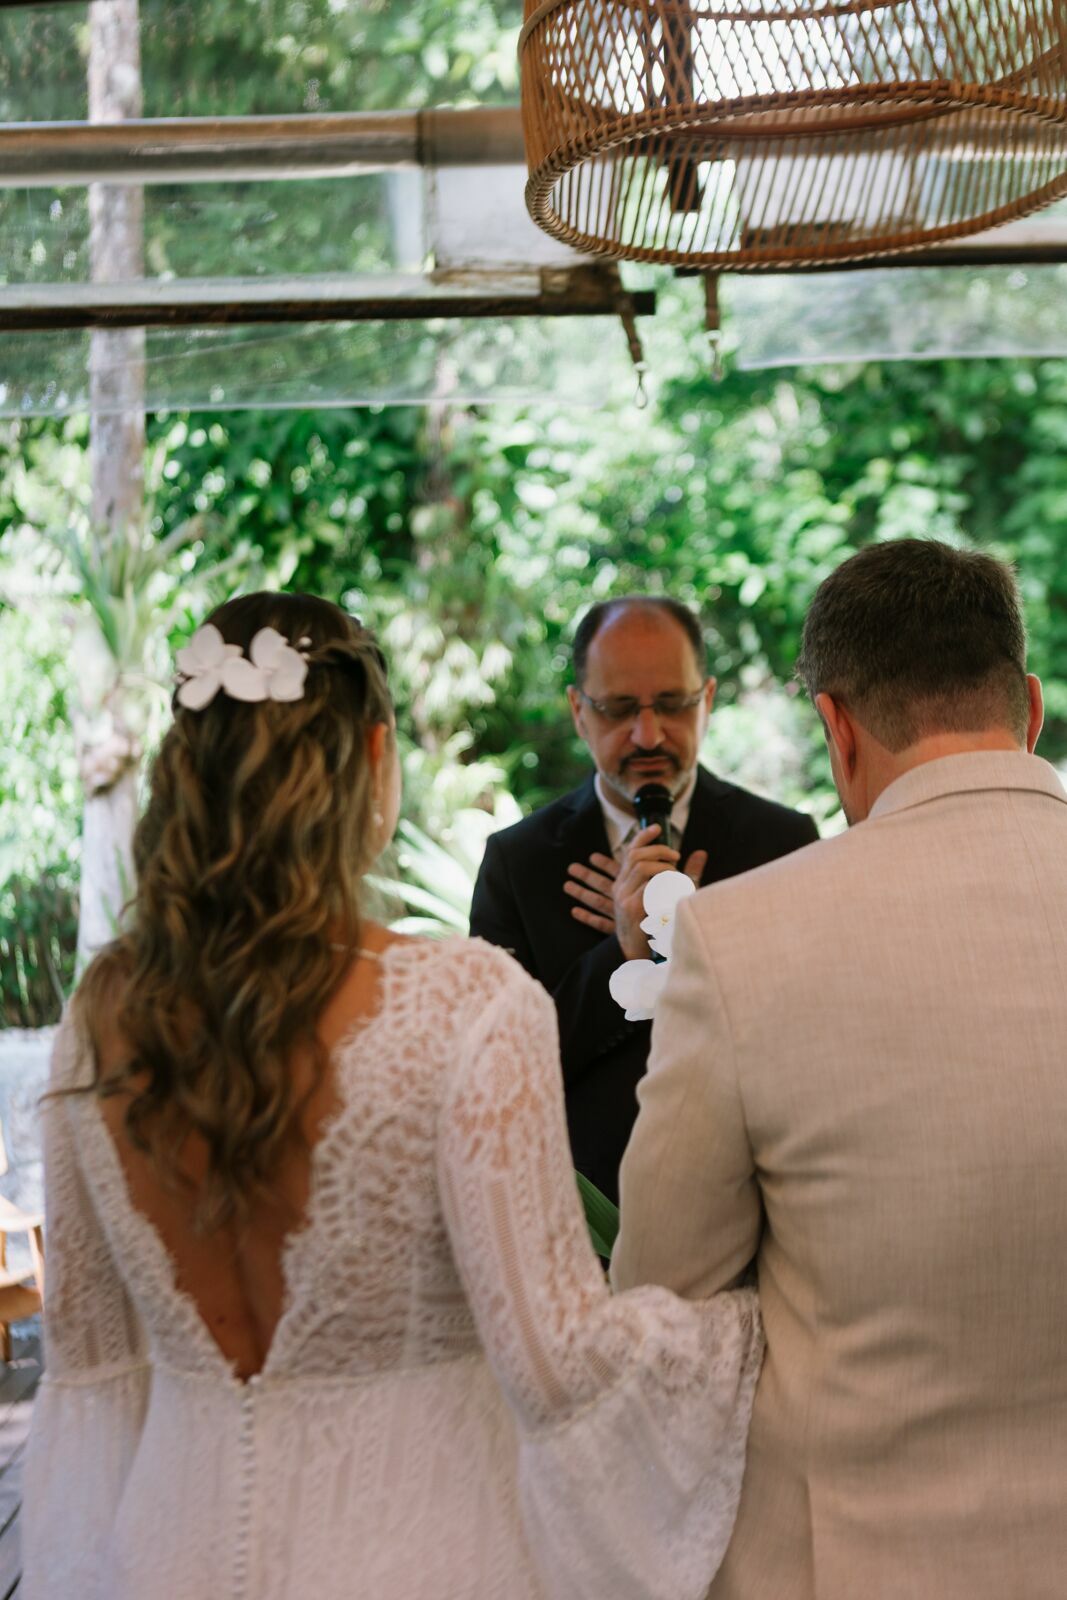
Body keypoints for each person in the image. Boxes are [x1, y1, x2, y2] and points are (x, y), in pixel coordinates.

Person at [22, 592, 762, 1600]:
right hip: (417, 1555)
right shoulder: (465, 1005)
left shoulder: (99, 1018)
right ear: (375, 761)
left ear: (182, 771)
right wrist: (732, 1331)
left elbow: (93, 1377)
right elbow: (560, 1368)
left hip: (164, 1549)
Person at [614, 539, 1067, 1600]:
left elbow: (660, 1299)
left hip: (851, 1559)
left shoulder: (741, 936)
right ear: (1029, 706)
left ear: (834, 726)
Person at [470, 596, 817, 1202]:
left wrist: (701, 943)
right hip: (581, 1212)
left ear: (707, 700)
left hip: (752, 1198)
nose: (648, 734)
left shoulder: (784, 843)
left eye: (674, 705)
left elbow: (814, 1044)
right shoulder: (516, 864)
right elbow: (496, 1073)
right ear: (579, 711)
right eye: (620, 708)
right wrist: (623, 953)